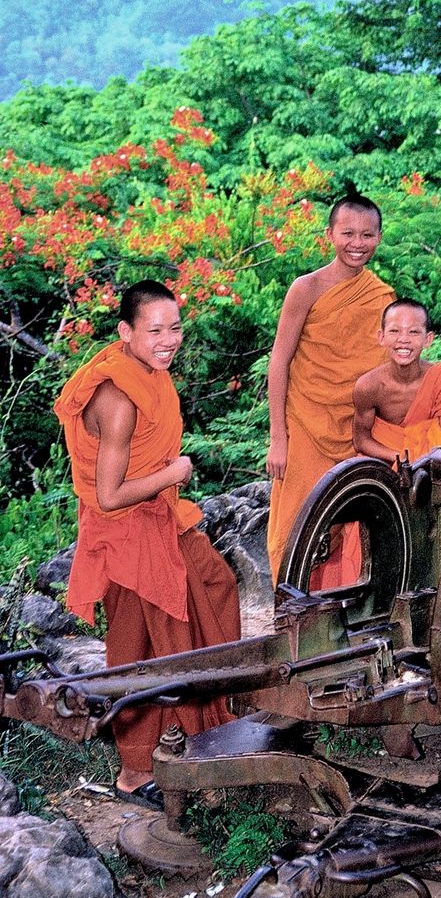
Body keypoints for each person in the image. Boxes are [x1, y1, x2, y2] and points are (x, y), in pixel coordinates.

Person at [54, 280, 240, 810]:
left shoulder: (145, 373)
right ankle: (135, 772)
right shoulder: (117, 397)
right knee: (140, 644)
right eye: (154, 330)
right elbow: (110, 497)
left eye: (175, 328)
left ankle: (206, 730)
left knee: (216, 586)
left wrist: (165, 479)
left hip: (161, 520)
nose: (168, 339)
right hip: (126, 534)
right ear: (125, 333)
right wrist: (173, 472)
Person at [265, 192, 395, 584]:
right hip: (305, 424)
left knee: (348, 523)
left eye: (367, 235)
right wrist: (277, 437)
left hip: (355, 428)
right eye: (348, 233)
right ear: (330, 234)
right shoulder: (306, 288)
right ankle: (290, 612)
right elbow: (279, 361)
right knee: (295, 525)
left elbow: (385, 372)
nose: (357, 243)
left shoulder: (381, 296)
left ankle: (334, 618)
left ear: (379, 237)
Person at [353, 298, 441, 464]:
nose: (403, 339)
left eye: (413, 332)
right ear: (381, 337)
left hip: (430, 463)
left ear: (428, 340)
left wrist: (418, 463)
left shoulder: (440, 378)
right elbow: (361, 440)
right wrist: (402, 459)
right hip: (384, 462)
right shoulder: (368, 386)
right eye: (395, 331)